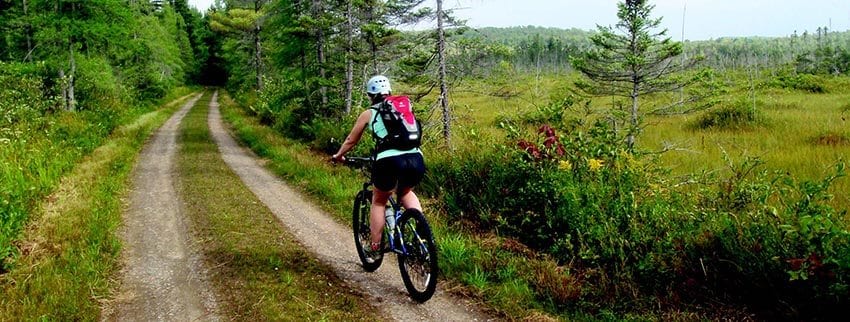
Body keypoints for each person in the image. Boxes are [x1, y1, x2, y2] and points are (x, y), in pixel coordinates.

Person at [331, 75, 425, 255]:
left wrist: (338, 155)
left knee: (379, 201)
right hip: (416, 158)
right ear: (388, 91)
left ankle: (374, 248)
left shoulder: (369, 113)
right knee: (405, 191)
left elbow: (351, 140)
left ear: (370, 95)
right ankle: (421, 235)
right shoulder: (403, 107)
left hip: (388, 161)